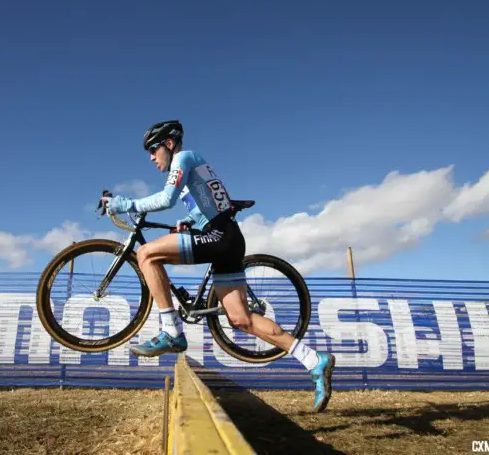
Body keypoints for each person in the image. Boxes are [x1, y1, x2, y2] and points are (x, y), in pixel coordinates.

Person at [101, 120, 336, 412]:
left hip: (220, 236)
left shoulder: (183, 158)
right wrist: (191, 219)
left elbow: (165, 199)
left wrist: (125, 204)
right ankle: (314, 360)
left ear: (169, 143)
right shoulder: (192, 167)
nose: (151, 157)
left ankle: (172, 331)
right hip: (228, 237)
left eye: (153, 149)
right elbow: (207, 202)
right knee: (242, 320)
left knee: (147, 254)